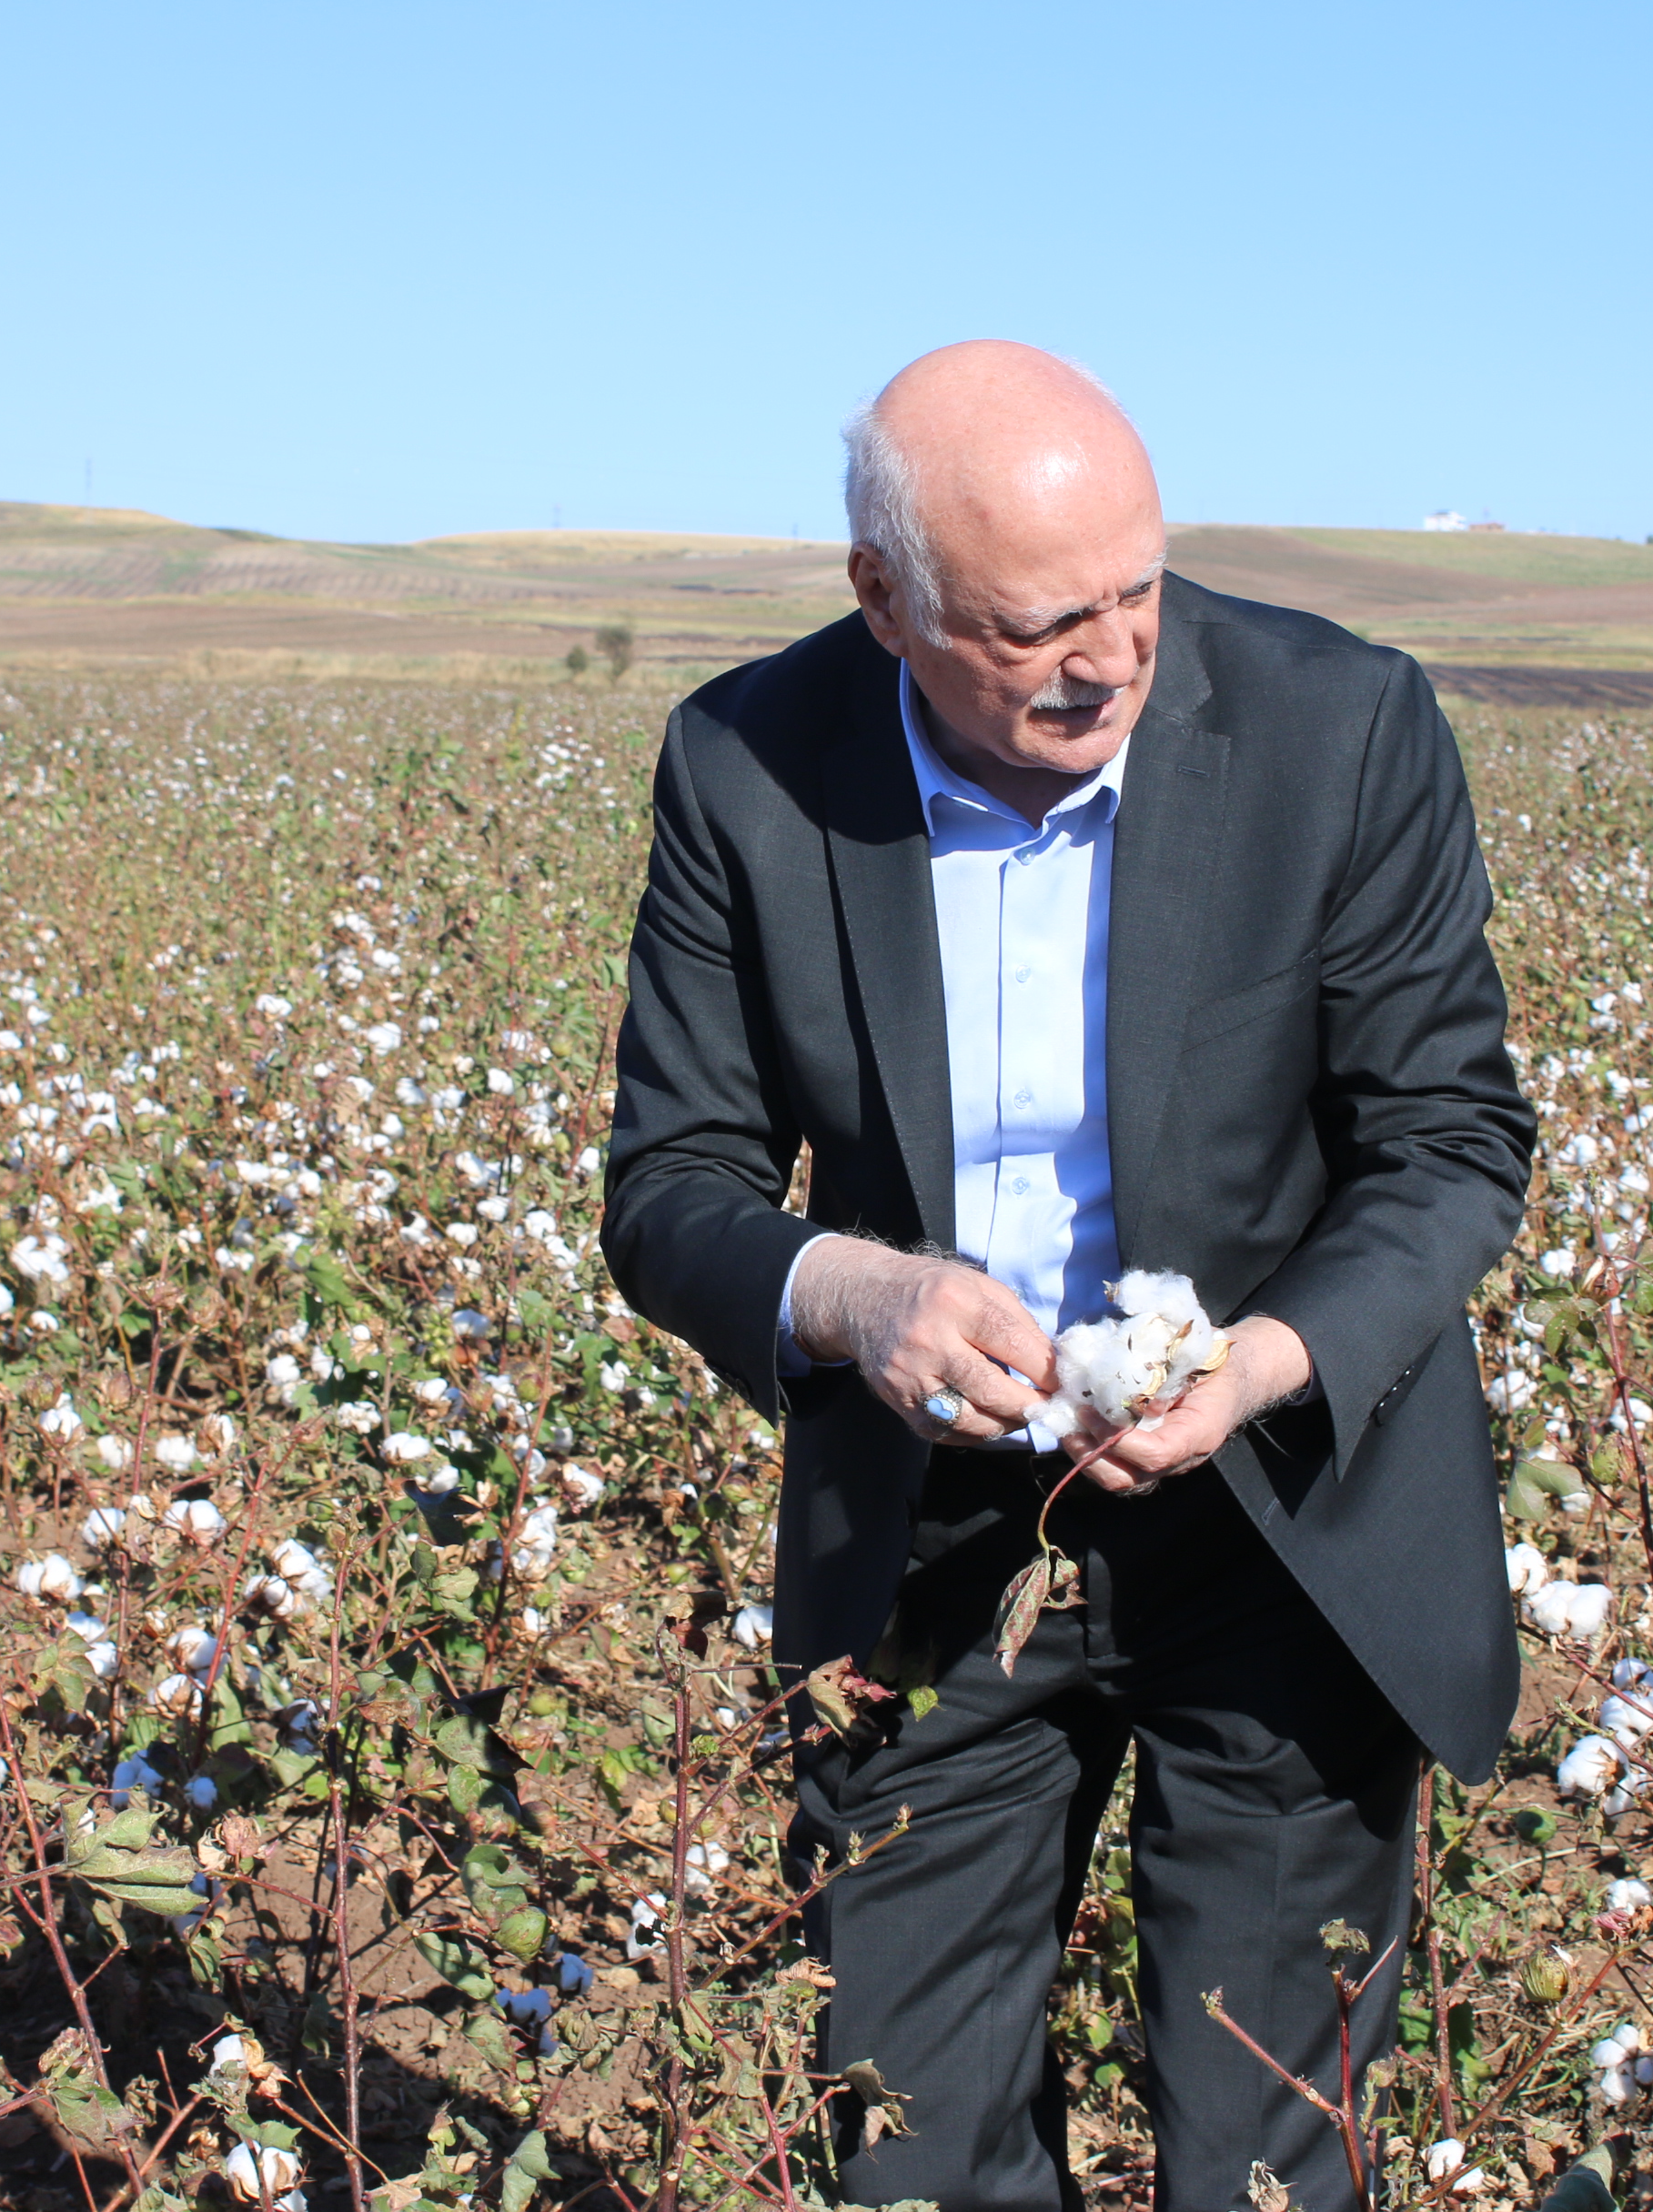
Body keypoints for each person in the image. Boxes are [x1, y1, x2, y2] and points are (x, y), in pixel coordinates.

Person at [600, 341, 1535, 2210]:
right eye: (1038, 626)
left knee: (1263, 2141)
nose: (1107, 657)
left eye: (1138, 592)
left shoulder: (1339, 731)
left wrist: (1263, 1362)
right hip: (941, 1542)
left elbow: (1450, 1141)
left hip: (1285, 1523)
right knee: (911, 2139)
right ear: (887, 601)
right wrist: (857, 1298)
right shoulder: (747, 763)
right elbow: (672, 1186)